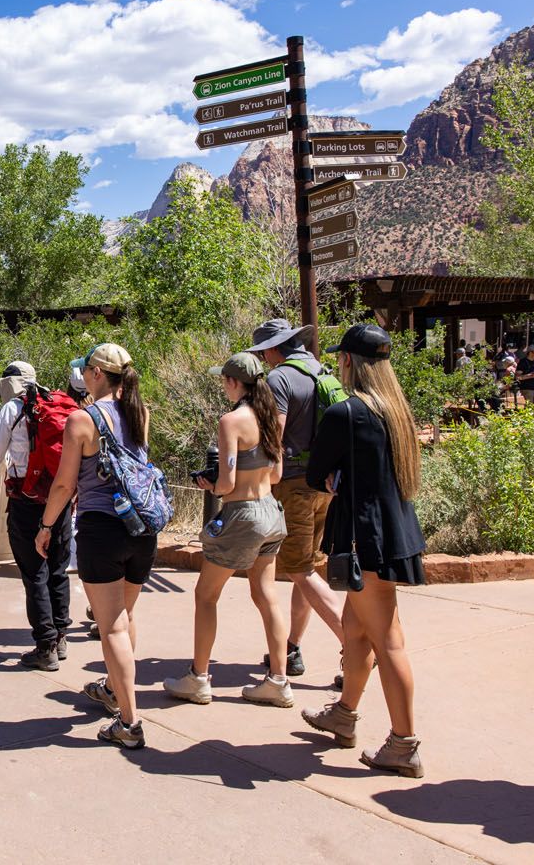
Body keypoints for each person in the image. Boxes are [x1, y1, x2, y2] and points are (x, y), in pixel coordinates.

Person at [299, 324, 427, 779]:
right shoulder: (397, 411)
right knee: (355, 629)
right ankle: (344, 713)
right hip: (394, 532)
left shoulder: (346, 413)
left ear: (349, 360)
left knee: (387, 641)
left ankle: (404, 744)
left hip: (363, 539)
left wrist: (334, 478)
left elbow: (315, 474)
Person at [38, 343, 154, 750]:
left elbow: (64, 484)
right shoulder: (140, 411)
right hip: (142, 528)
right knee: (125, 615)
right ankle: (112, 689)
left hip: (102, 530)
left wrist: (46, 526)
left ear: (98, 374)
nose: (83, 377)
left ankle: (130, 723)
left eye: (86, 370)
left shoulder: (82, 420)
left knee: (112, 626)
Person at [165, 352, 293, 708]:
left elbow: (227, 483)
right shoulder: (270, 418)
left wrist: (211, 485)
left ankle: (198, 678)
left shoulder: (231, 421)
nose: (223, 386)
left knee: (206, 595)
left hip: (243, 516)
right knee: (266, 594)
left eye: (224, 380)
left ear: (235, 382)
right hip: (270, 512)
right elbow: (277, 475)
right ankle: (278, 680)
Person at [248, 318, 345, 679]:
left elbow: (274, 435)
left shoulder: (280, 379)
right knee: (307, 566)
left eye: (264, 352)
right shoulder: (321, 371)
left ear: (274, 348)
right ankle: (292, 648)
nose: (264, 359)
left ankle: (355, 645)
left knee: (299, 569)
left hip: (293, 485)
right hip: (324, 484)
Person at [0, 361, 72, 669]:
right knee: (58, 568)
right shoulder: (56, 403)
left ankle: (45, 646)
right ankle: (60, 636)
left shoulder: (13, 409)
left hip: (27, 500)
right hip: (60, 498)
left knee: (35, 573)